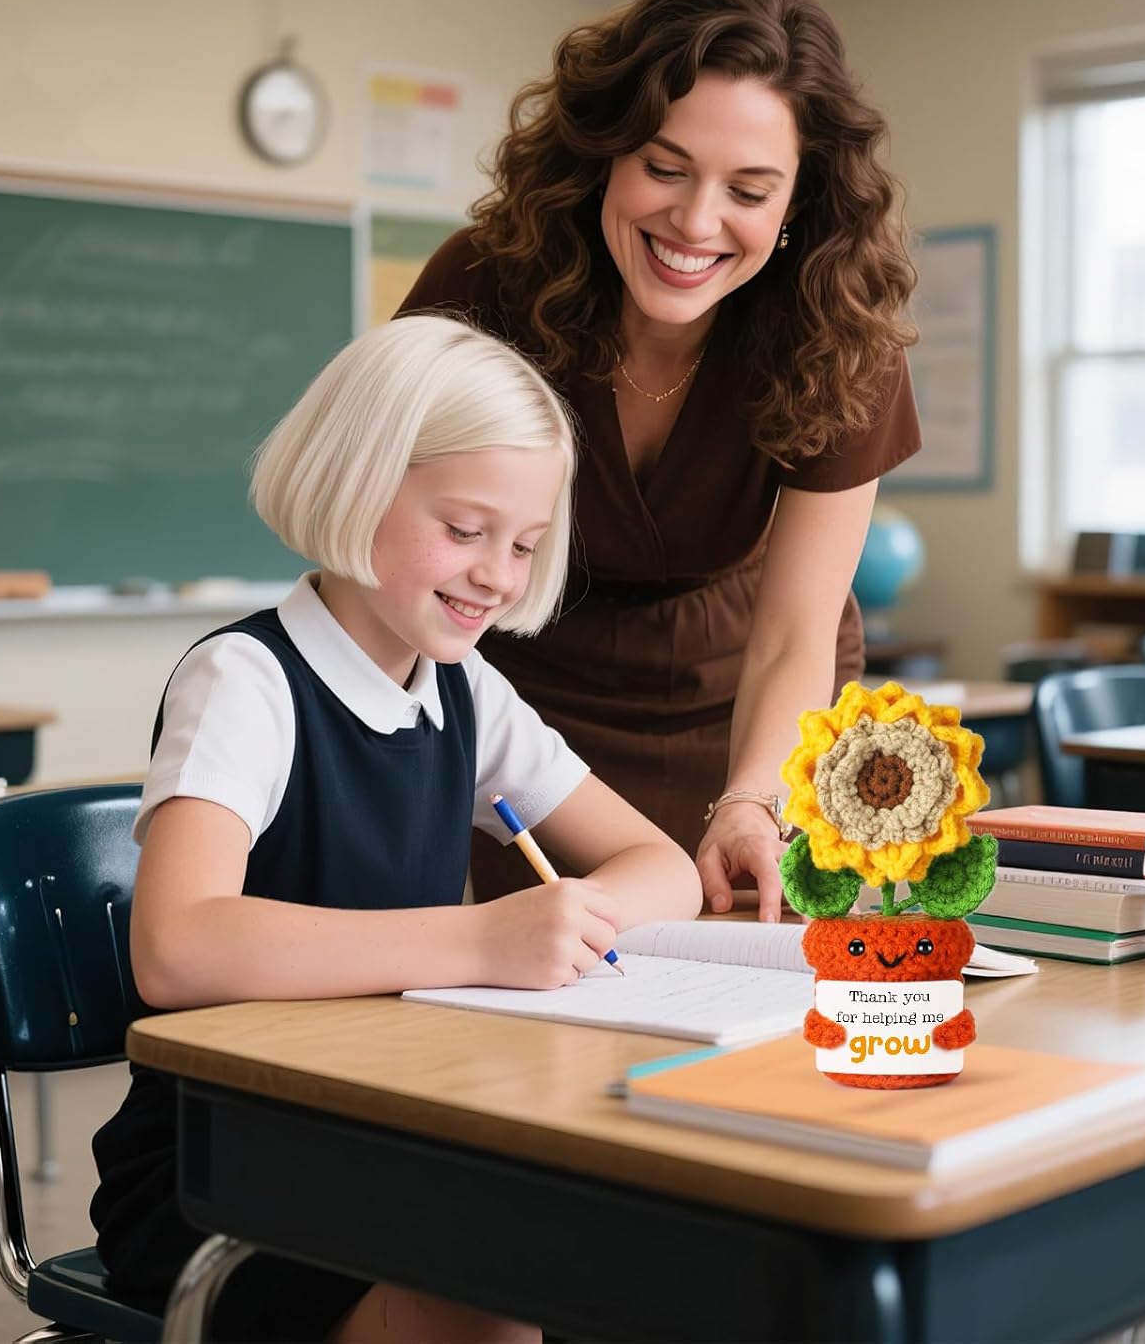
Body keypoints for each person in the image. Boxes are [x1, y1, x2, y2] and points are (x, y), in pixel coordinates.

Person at [89, 315, 701, 1343]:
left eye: (525, 544)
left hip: (394, 1128)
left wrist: (576, 918)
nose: (498, 576)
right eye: (464, 531)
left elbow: (665, 869)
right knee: (501, 1286)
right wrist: (481, 940)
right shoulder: (248, 681)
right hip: (226, 1170)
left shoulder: (464, 690)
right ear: (357, 482)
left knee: (638, 1239)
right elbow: (175, 946)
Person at [398, 0, 922, 923]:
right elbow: (394, 539)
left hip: (749, 700)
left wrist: (755, 800)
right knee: (532, 995)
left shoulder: (839, 334)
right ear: (604, 153)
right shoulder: (482, 287)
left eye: (749, 190)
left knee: (737, 997)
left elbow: (797, 629)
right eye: (665, 168)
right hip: (521, 706)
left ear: (797, 204)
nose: (694, 221)